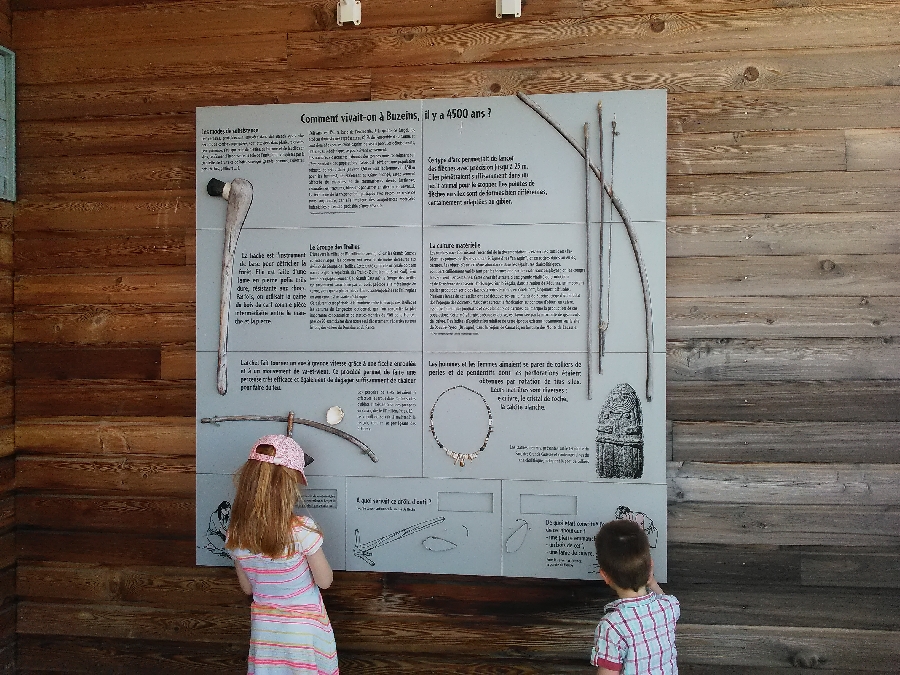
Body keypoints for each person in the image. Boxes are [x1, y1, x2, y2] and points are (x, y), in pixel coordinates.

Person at [226, 434, 339, 674]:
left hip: (265, 635)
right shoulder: (301, 530)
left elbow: (248, 588)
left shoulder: (236, 534)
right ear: (287, 487)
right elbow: (325, 581)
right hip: (303, 634)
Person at [591, 519, 679, 674]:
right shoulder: (669, 606)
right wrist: (651, 582)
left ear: (605, 576)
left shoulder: (613, 626)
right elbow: (663, 598)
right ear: (650, 566)